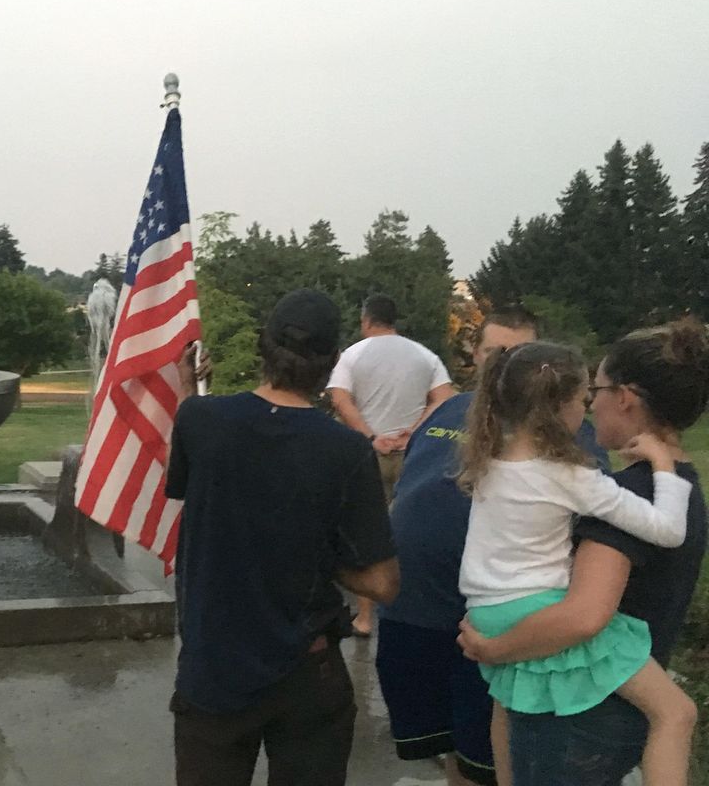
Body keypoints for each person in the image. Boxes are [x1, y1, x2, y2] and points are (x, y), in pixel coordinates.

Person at [458, 318, 709, 786]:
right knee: (676, 712)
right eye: (584, 394)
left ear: (626, 398)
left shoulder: (490, 459)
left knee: (504, 701)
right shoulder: (658, 486)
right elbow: (585, 618)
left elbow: (582, 614)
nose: (591, 403)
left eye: (597, 389)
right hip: (578, 709)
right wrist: (663, 466)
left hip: (490, 614)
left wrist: (494, 646)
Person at [165, 288, 400, 786]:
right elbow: (382, 583)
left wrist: (188, 387)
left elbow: (197, 454)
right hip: (306, 673)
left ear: (261, 346)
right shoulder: (347, 452)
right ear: (332, 362)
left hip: (214, 671)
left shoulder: (199, 420)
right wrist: (316, 548)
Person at [374, 307, 613, 786]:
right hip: (413, 613)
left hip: (494, 626)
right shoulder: (447, 408)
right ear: (477, 356)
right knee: (445, 746)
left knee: (489, 758)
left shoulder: (571, 428)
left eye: (514, 354)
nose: (499, 363)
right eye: (492, 352)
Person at [327, 293, 455, 636]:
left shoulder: (353, 354)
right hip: (412, 456)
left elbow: (340, 399)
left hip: (367, 456)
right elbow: (445, 398)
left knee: (369, 532)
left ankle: (366, 617)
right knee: (407, 531)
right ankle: (410, 604)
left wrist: (371, 437)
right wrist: (414, 432)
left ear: (366, 320)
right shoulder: (424, 355)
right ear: (394, 320)